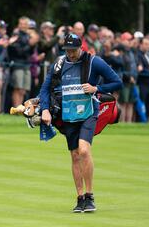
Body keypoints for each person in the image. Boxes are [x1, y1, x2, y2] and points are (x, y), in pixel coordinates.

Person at [39, 34, 122, 213]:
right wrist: (44, 109)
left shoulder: (94, 62)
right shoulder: (59, 64)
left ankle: (90, 195)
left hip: (88, 112)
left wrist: (97, 89)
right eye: (67, 50)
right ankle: (80, 198)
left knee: (83, 150)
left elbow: (117, 82)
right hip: (68, 115)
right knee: (75, 155)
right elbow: (45, 89)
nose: (70, 54)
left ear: (81, 47)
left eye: (73, 50)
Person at [136, 38, 149, 121]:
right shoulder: (138, 55)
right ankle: (141, 119)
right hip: (143, 83)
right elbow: (140, 70)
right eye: (146, 44)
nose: (148, 46)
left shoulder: (148, 55)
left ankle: (147, 118)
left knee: (148, 102)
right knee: (142, 101)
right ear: (141, 44)